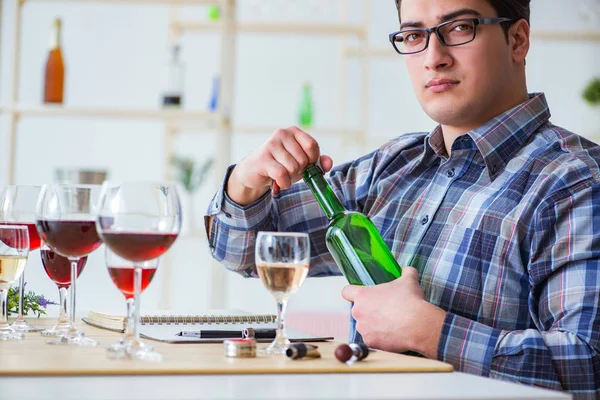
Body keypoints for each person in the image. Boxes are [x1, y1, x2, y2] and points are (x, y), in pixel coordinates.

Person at [204, 0, 600, 397]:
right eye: (414, 35)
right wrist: (247, 180)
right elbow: (242, 249)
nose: (433, 58)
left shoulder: (576, 181)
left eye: (460, 28)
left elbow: (589, 365)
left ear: (517, 39)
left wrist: (430, 331)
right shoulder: (391, 168)